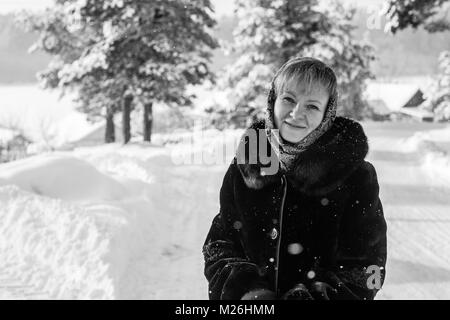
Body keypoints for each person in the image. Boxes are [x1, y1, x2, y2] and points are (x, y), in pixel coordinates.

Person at [202, 57, 387, 300]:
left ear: (327, 114)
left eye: (312, 106)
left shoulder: (355, 176)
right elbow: (218, 246)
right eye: (288, 99)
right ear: (272, 101)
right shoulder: (244, 167)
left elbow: (369, 268)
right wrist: (248, 291)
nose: (296, 113)